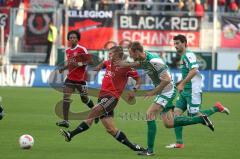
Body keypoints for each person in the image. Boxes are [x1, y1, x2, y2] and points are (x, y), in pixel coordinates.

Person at [114, 41, 217, 156]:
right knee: (169, 123)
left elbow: (167, 79)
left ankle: (150, 150)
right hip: (163, 90)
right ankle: (201, 119)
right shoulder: (144, 58)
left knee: (149, 115)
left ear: (137, 52)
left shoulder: (154, 60)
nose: (130, 56)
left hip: (167, 90)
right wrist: (124, 64)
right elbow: (139, 64)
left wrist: (154, 92)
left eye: (131, 53)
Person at [60, 46, 146, 152]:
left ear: (118, 55)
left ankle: (70, 134)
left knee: (93, 112)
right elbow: (104, 63)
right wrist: (98, 67)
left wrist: (134, 90)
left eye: (111, 53)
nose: (109, 55)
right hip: (102, 97)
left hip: (112, 97)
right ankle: (134, 147)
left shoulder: (126, 67)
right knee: (111, 130)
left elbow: (138, 79)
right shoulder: (108, 63)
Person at [165, 34, 230, 149]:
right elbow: (187, 73)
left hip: (193, 91)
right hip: (185, 91)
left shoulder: (188, 55)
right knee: (176, 116)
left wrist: (183, 83)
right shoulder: (183, 56)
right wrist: (179, 83)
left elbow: (194, 70)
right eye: (174, 43)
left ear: (184, 43)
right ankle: (179, 143)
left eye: (178, 43)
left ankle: (216, 108)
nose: (175, 46)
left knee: (192, 115)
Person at [56, 30, 97, 128]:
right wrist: (64, 68)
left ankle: (96, 112)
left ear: (78, 39)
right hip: (70, 79)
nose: (72, 39)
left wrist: (79, 64)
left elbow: (91, 62)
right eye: (70, 38)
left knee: (84, 99)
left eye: (74, 37)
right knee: (66, 98)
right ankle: (66, 121)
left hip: (81, 80)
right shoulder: (68, 51)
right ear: (68, 39)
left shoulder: (81, 49)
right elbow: (71, 64)